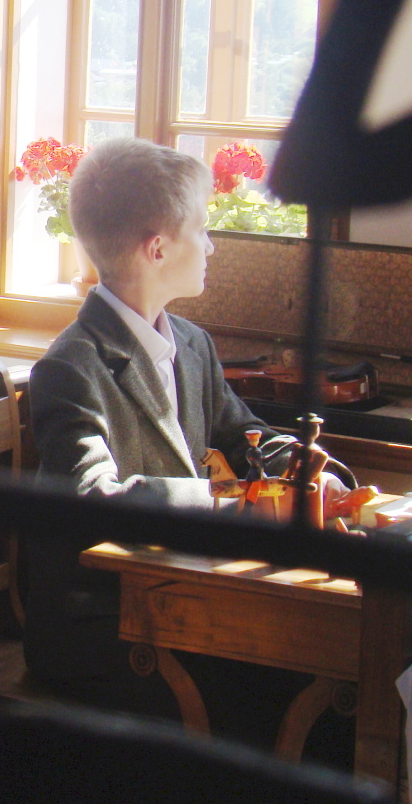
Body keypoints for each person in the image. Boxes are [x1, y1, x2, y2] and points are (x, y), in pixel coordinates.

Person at [23, 137, 356, 757]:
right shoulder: (71, 367)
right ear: (157, 249)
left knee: (339, 679)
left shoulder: (192, 344)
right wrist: (231, 501)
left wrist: (310, 473)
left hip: (182, 599)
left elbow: (245, 435)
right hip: (101, 624)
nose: (211, 245)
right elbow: (93, 499)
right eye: (202, 229)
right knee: (307, 697)